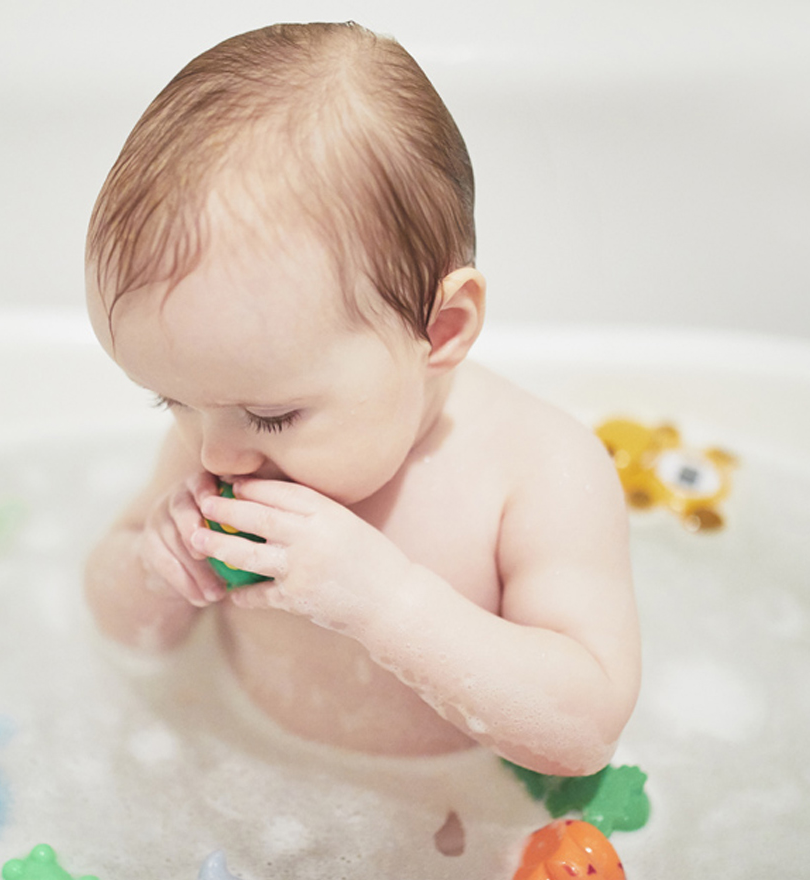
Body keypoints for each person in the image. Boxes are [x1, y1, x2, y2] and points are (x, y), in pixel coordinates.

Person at [81, 22, 639, 777]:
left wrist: (386, 604)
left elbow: (583, 731)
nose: (214, 453)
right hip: (247, 777)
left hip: (449, 814)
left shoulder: (537, 470)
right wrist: (158, 571)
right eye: (168, 402)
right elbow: (122, 629)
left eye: (274, 415)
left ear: (440, 327)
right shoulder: (221, 420)